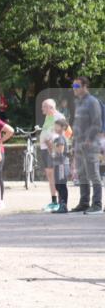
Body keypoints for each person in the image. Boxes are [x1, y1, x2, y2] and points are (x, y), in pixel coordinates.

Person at [70, 76, 103, 213]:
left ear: (85, 87)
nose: (74, 89)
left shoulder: (92, 102)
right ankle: (84, 203)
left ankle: (97, 205)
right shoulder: (79, 103)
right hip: (79, 145)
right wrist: (74, 143)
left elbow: (97, 123)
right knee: (82, 174)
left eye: (77, 86)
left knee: (93, 174)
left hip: (90, 145)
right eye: (73, 86)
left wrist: (89, 140)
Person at [38, 99, 68, 212]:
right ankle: (54, 201)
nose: (42, 109)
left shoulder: (59, 117)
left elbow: (64, 133)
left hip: (52, 149)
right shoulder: (48, 116)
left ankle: (60, 203)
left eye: (44, 107)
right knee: (50, 175)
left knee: (56, 176)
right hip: (45, 148)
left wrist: (51, 144)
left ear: (50, 107)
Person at [50, 118, 71, 214]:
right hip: (59, 164)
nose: (55, 127)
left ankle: (63, 205)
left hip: (62, 164)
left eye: (57, 126)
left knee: (61, 185)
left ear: (63, 127)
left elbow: (60, 151)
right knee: (58, 185)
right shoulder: (59, 138)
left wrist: (52, 145)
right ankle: (61, 204)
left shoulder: (61, 138)